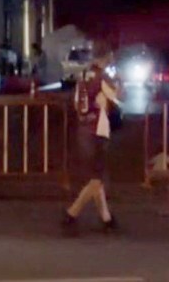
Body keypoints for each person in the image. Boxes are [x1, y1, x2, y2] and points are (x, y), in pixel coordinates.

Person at [62, 47, 120, 233]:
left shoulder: (83, 77)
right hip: (98, 130)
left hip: (83, 130)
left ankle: (107, 219)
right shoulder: (102, 78)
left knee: (96, 177)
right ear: (105, 59)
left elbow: (75, 103)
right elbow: (119, 97)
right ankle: (72, 214)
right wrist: (119, 82)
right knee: (96, 178)